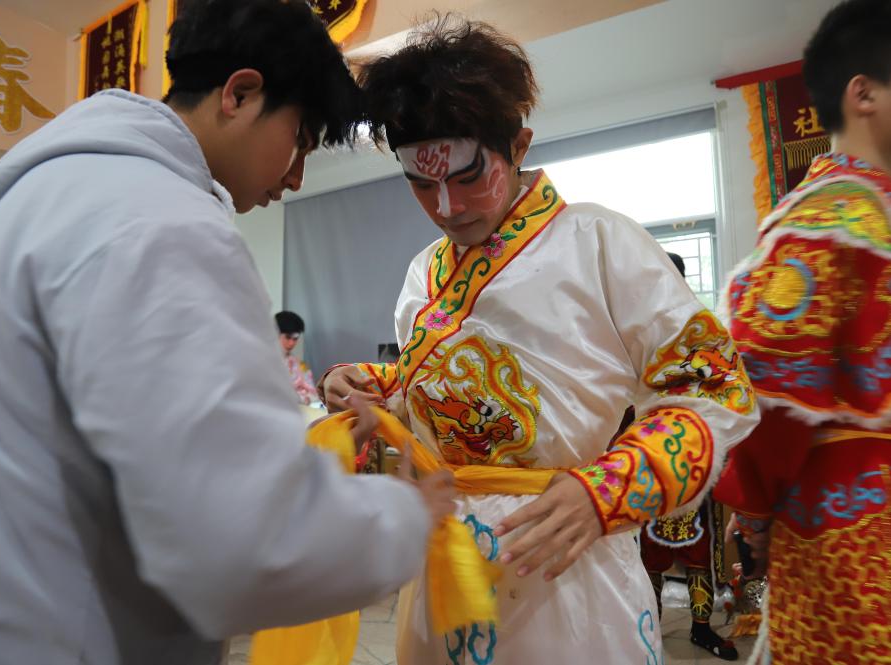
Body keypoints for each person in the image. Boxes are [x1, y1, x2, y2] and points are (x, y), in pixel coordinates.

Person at [0, 1, 455, 664]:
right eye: (299, 140)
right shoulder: (162, 225)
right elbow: (238, 541)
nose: (296, 177)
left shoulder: (53, 196)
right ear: (239, 94)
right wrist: (404, 518)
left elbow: (134, 444)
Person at [321, 17, 760, 663]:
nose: (447, 206)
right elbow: (432, 386)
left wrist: (607, 490)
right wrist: (367, 384)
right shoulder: (424, 272)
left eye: (468, 176)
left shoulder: (599, 242)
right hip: (448, 560)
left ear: (518, 145)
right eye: (421, 183)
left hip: (565, 551)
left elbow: (715, 386)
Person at [714, 2, 891, 663]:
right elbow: (769, 375)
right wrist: (753, 507)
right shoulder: (829, 214)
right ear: (863, 93)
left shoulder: (889, 213)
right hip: (858, 530)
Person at [637, 253, 739, 661]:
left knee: (700, 552)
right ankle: (649, 629)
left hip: (696, 452)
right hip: (650, 457)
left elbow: (724, 387)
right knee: (649, 554)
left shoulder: (704, 330)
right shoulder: (637, 330)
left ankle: (700, 628)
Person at [275, 310, 318, 405]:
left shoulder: (300, 365)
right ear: (275, 334)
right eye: (287, 337)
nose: (291, 343)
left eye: (295, 338)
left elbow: (313, 395)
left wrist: (303, 398)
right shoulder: (263, 362)